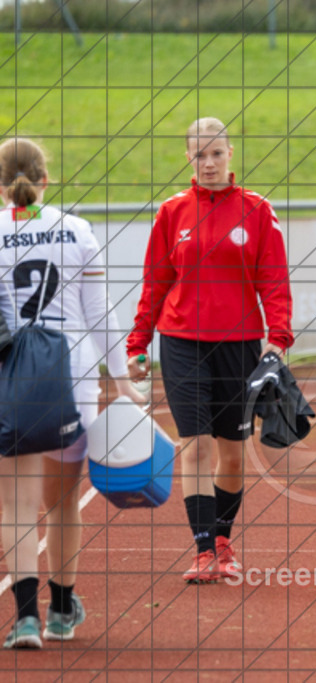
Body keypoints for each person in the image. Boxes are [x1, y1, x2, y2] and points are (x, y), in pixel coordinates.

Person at [126, 118, 293, 583]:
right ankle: (203, 550)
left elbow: (274, 281)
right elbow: (155, 284)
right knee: (195, 446)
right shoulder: (172, 212)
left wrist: (278, 339)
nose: (210, 163)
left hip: (239, 346)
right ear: (188, 158)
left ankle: (223, 536)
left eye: (217, 153)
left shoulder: (257, 211)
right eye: (200, 154)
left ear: (231, 153)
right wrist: (138, 343)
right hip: (181, 342)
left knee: (234, 454)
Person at [0, 138, 146, 647]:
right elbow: (99, 312)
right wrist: (123, 379)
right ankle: (62, 610)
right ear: (46, 180)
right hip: (72, 373)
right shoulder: (76, 230)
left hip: (12, 376)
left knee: (15, 506)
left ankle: (24, 619)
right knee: (62, 503)